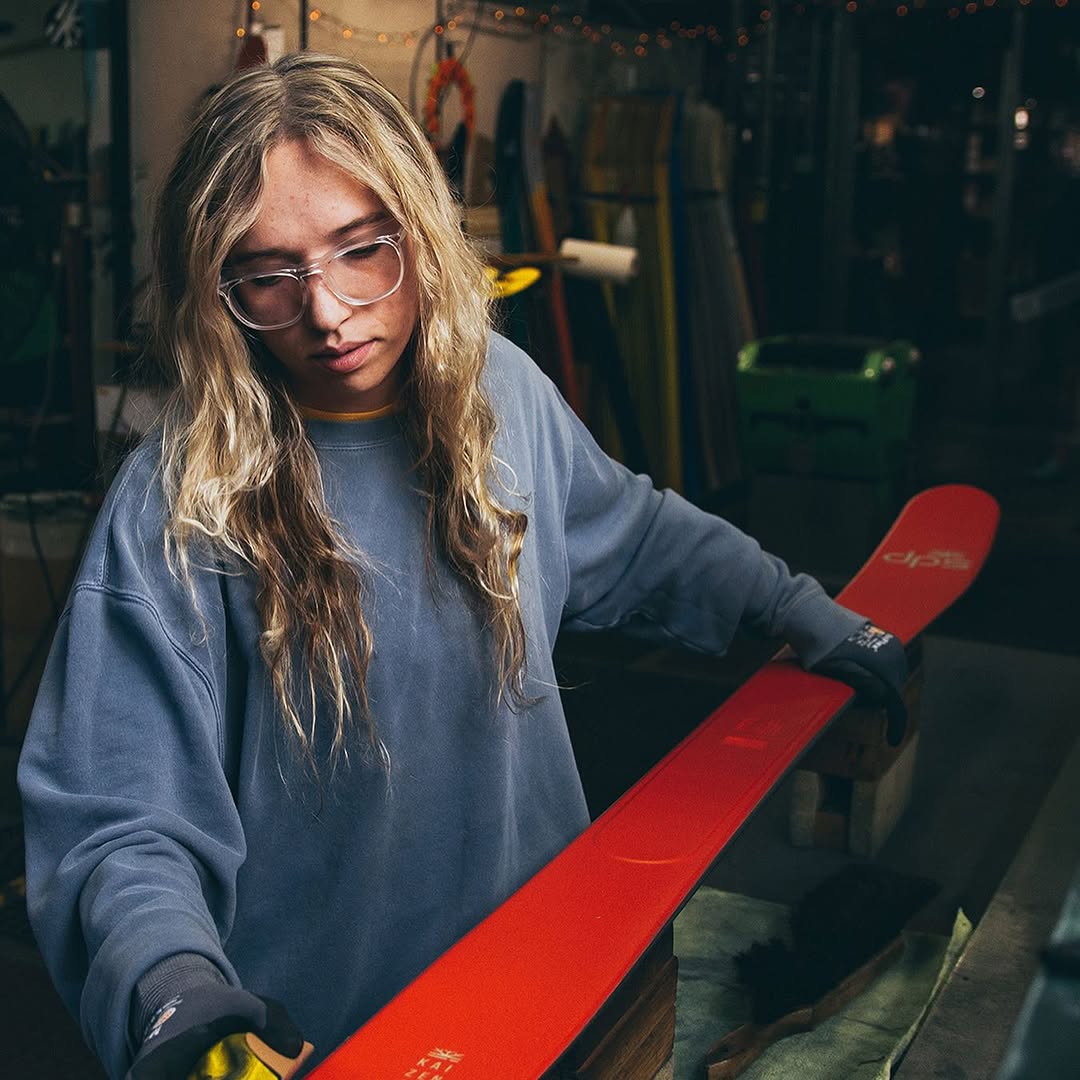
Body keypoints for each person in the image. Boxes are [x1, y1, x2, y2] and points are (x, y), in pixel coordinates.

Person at [17, 52, 907, 1080]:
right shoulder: (183, 501)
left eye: (361, 250)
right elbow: (121, 816)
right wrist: (170, 986)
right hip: (328, 1040)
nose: (330, 311)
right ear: (216, 291)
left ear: (419, 231)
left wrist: (806, 610)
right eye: (268, 273)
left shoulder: (500, 394)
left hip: (556, 986)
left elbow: (638, 533)